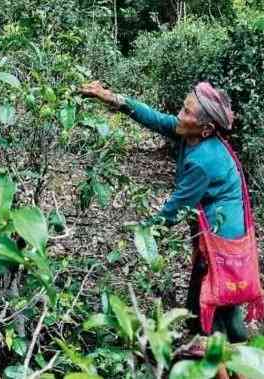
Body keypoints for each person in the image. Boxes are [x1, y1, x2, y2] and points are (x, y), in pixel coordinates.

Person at [80, 80, 250, 346]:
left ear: (205, 129)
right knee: (227, 308)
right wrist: (113, 99)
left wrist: (141, 232)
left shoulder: (202, 161)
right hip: (226, 237)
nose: (179, 116)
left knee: (203, 316)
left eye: (186, 112)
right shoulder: (191, 135)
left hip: (220, 244)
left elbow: (174, 210)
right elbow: (155, 118)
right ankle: (244, 352)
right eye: (183, 108)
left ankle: (217, 359)